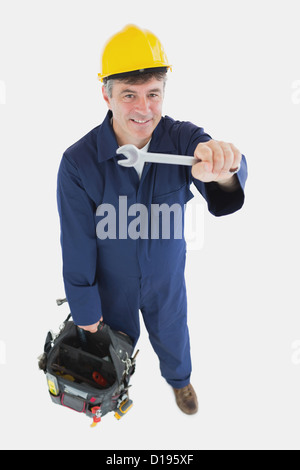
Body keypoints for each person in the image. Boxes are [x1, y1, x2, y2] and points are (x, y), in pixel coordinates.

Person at [57, 24, 248, 415]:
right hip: (111, 289)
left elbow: (221, 174)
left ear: (163, 93)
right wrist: (88, 316)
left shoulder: (181, 140)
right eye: (129, 95)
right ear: (106, 95)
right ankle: (117, 387)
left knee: (174, 337)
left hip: (166, 282)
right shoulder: (77, 163)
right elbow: (77, 247)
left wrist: (225, 169)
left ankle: (180, 382)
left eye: (153, 94)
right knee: (111, 351)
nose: (143, 109)